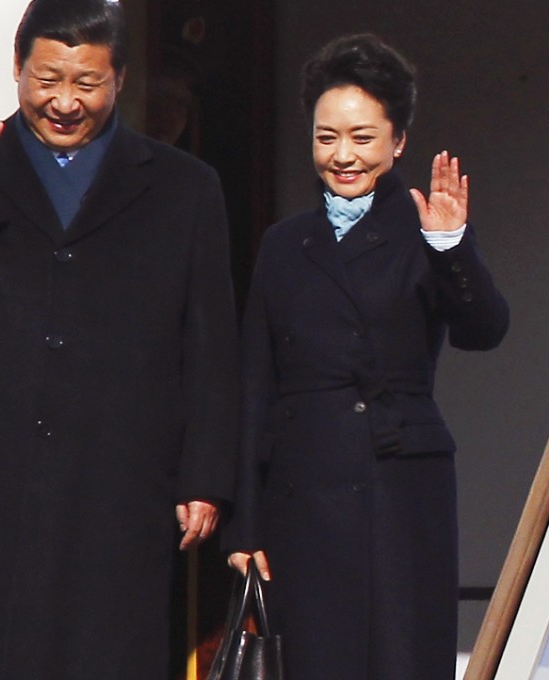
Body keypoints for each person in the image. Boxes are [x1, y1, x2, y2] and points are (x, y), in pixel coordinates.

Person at [0, 1, 239, 677]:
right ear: (17, 69)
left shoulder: (184, 189)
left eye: (85, 84)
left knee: (97, 648)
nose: (63, 102)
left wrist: (205, 472)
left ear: (119, 79)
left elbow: (209, 343)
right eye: (46, 80)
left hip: (112, 477)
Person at [225, 34, 509, 679]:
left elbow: (485, 329)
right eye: (327, 138)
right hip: (303, 492)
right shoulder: (283, 243)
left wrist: (452, 246)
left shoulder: (427, 228)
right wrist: (245, 523)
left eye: (362, 137)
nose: (343, 156)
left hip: (400, 486)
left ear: (397, 140)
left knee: (399, 658)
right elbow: (253, 385)